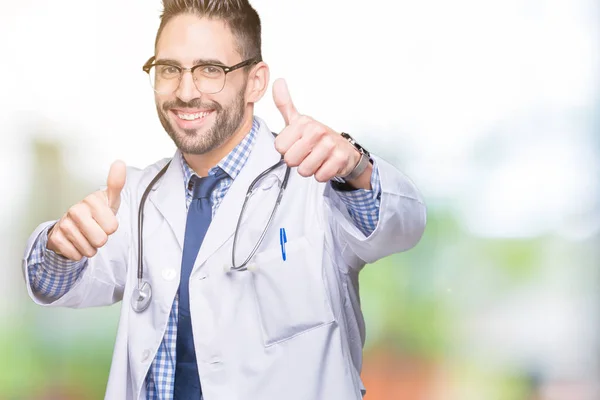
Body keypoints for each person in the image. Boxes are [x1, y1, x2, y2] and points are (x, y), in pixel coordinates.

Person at [22, 0, 426, 399]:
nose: (184, 91)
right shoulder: (136, 197)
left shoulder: (315, 181)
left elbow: (400, 228)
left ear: (256, 81)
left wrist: (356, 168)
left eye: (210, 70)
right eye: (169, 70)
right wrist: (60, 246)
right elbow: (53, 286)